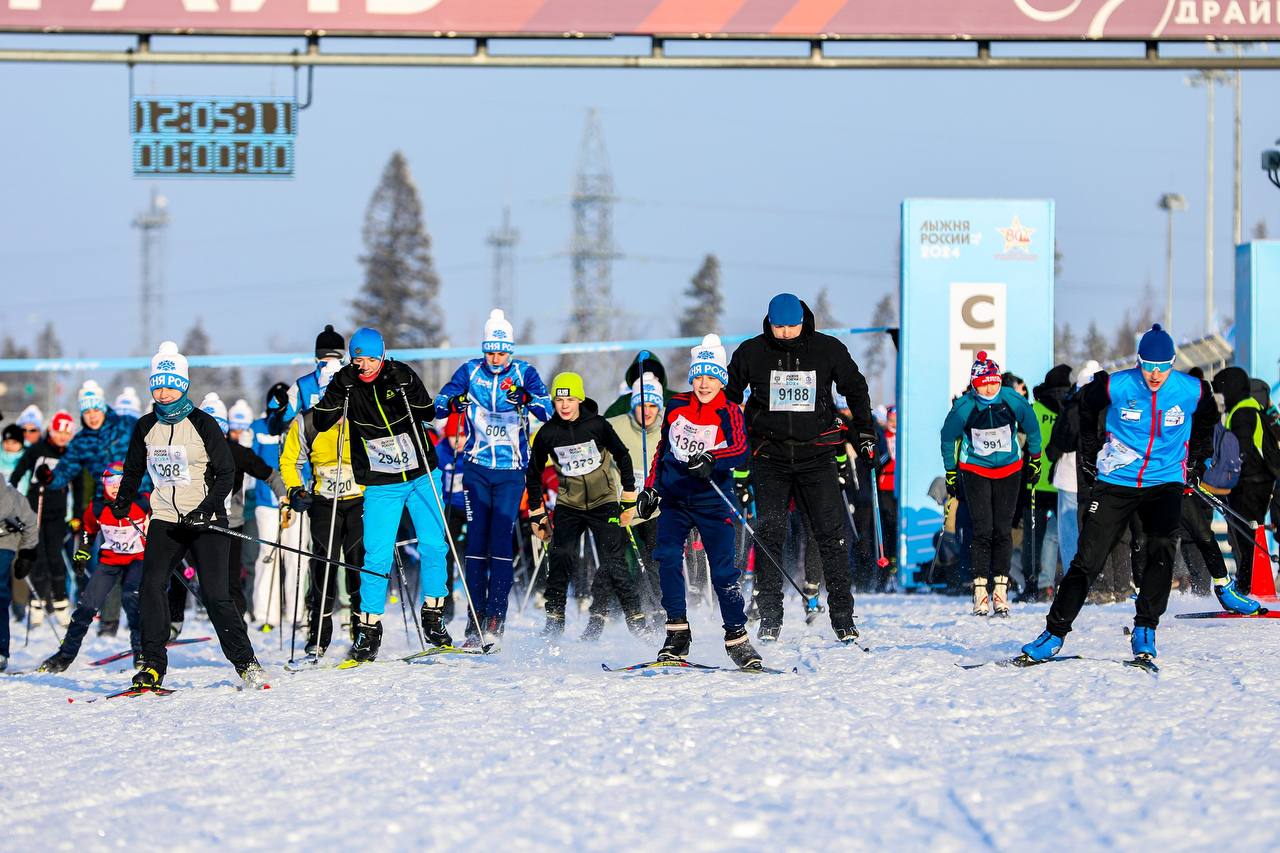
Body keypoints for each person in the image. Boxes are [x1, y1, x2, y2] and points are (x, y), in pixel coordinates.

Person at [1022, 325, 1218, 664]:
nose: (1155, 374)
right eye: (1148, 365)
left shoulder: (1191, 389)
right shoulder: (1116, 384)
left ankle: (1146, 629)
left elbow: (1208, 419)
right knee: (1087, 559)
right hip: (1118, 480)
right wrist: (1088, 459)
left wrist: (1196, 463)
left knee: (1160, 551)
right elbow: (1082, 409)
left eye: (1163, 366)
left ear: (1173, 364)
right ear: (1139, 361)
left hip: (1165, 481)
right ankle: (1054, 633)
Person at [112, 341, 267, 690]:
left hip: (206, 520)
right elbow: (134, 469)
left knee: (215, 595)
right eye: (157, 385)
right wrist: (123, 499)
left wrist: (206, 510)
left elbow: (226, 473)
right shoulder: (144, 426)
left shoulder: (203, 424)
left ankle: (246, 662)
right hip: (166, 518)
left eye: (170, 385)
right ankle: (152, 664)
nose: (163, 392)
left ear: (182, 385)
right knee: (150, 586)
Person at [725, 293, 875, 643]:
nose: (786, 333)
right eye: (779, 326)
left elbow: (855, 387)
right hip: (769, 456)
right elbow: (729, 397)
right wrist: (725, 437)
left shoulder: (827, 349)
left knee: (830, 535)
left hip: (817, 454)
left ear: (803, 321)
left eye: (792, 326)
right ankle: (770, 616)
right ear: (769, 322)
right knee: (769, 535)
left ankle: (842, 616)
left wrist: (866, 432)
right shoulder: (752, 352)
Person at [312, 327, 451, 662]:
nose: (367, 365)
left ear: (383, 354)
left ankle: (433, 616)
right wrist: (337, 391)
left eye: (373, 358)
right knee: (376, 557)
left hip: (420, 474)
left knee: (434, 544)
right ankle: (369, 631)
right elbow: (320, 422)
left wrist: (411, 388)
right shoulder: (345, 383)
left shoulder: (399, 375)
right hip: (380, 482)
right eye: (360, 358)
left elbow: (429, 413)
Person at [637, 334, 760, 669]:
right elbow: (663, 449)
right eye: (700, 376)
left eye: (712, 377)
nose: (705, 384)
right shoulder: (677, 404)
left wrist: (712, 458)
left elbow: (740, 450)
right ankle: (677, 633)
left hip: (713, 500)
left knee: (723, 573)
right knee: (666, 557)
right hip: (676, 499)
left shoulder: (729, 410)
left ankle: (737, 638)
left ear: (721, 379)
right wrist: (651, 489)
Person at [434, 309, 552, 644]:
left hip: (511, 472)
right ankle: (474, 619)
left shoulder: (524, 371)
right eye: (490, 351)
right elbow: (440, 404)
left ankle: (495, 619)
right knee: (476, 543)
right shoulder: (471, 371)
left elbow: (546, 409)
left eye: (501, 352)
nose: (496, 358)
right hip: (476, 469)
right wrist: (454, 401)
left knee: (500, 541)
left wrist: (526, 399)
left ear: (510, 351)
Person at [526, 372, 643, 641]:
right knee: (561, 558)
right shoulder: (548, 433)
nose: (565, 405)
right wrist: (537, 511)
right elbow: (532, 473)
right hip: (569, 504)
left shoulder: (597, 425)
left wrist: (628, 494)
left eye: (570, 398)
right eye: (559, 399)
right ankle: (554, 622)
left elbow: (623, 455)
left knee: (615, 562)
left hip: (604, 502)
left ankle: (636, 620)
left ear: (579, 398)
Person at [941, 352, 1041, 617]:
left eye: (994, 382)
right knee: (983, 529)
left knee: (1003, 530)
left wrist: (1035, 460)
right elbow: (947, 437)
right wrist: (951, 472)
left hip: (1009, 470)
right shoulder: (964, 406)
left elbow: (1033, 428)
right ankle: (980, 590)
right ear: (975, 384)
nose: (989, 387)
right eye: (984, 383)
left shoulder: (1011, 399)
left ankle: (1000, 589)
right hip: (975, 470)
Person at [38, 463, 148, 672]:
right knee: (86, 607)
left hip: (138, 559)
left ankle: (141, 651)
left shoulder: (142, 502)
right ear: (104, 484)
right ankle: (64, 656)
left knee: (131, 598)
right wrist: (82, 554)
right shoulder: (97, 507)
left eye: (121, 482)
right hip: (109, 562)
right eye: (111, 482)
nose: (116, 487)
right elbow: (89, 531)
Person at [280, 393, 366, 658]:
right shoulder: (308, 422)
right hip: (324, 502)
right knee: (323, 562)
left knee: (357, 561)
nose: (338, 412)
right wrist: (295, 490)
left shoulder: (363, 416)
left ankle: (362, 626)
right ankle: (318, 631)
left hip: (360, 500)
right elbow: (289, 460)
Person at [1211, 366, 1279, 593]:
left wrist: (1226, 478)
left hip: (1252, 482)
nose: (1219, 398)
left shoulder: (1243, 413)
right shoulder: (1247, 409)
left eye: (1220, 391)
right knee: (1246, 532)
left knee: (1245, 533)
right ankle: (1248, 581)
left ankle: (1247, 585)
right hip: (1255, 481)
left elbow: (1242, 450)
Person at [606, 372, 666, 619]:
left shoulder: (669, 425)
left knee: (655, 556)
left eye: (653, 405)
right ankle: (611, 609)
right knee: (613, 556)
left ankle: (658, 606)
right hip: (622, 503)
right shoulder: (615, 425)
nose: (648, 411)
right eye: (642, 405)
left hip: (654, 505)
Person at [9, 409, 75, 625]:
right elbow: (18, 472)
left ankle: (60, 601)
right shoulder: (37, 450)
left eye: (66, 434)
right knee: (37, 556)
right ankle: (36, 603)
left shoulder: (70, 454)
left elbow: (79, 484)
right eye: (58, 433)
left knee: (55, 556)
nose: (62, 438)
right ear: (50, 431)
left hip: (58, 513)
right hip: (35, 509)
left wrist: (78, 515)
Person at [249, 381, 303, 630]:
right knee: (268, 555)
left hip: (295, 502)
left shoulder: (298, 426)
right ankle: (265, 615)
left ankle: (296, 614)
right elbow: (251, 462)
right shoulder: (259, 427)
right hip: (267, 503)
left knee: (297, 558)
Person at [1023, 365, 1072, 599]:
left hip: (1035, 482)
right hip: (1064, 482)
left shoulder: (1034, 409)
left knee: (1034, 538)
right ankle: (1070, 581)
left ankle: (1039, 585)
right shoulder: (1071, 409)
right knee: (1066, 533)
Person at [433, 413, 469, 622]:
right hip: (450, 507)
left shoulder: (474, 449)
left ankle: (477, 606)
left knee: (476, 552)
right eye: (454, 437)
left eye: (463, 436)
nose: (459, 442)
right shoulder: (441, 452)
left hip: (472, 506)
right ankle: (446, 606)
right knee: (446, 552)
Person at [0, 477, 38, 672]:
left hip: (5, 543)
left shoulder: (12, 497)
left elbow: (31, 523)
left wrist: (27, 555)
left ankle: (1, 650)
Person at [284, 324, 346, 423]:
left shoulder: (353, 382)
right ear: (317, 359)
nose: (329, 364)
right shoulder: (303, 385)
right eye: (325, 359)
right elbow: (284, 418)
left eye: (334, 359)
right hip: (313, 437)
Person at [602, 353, 677, 418]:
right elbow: (606, 424)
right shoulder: (623, 402)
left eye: (653, 377)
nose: (646, 412)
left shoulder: (675, 399)